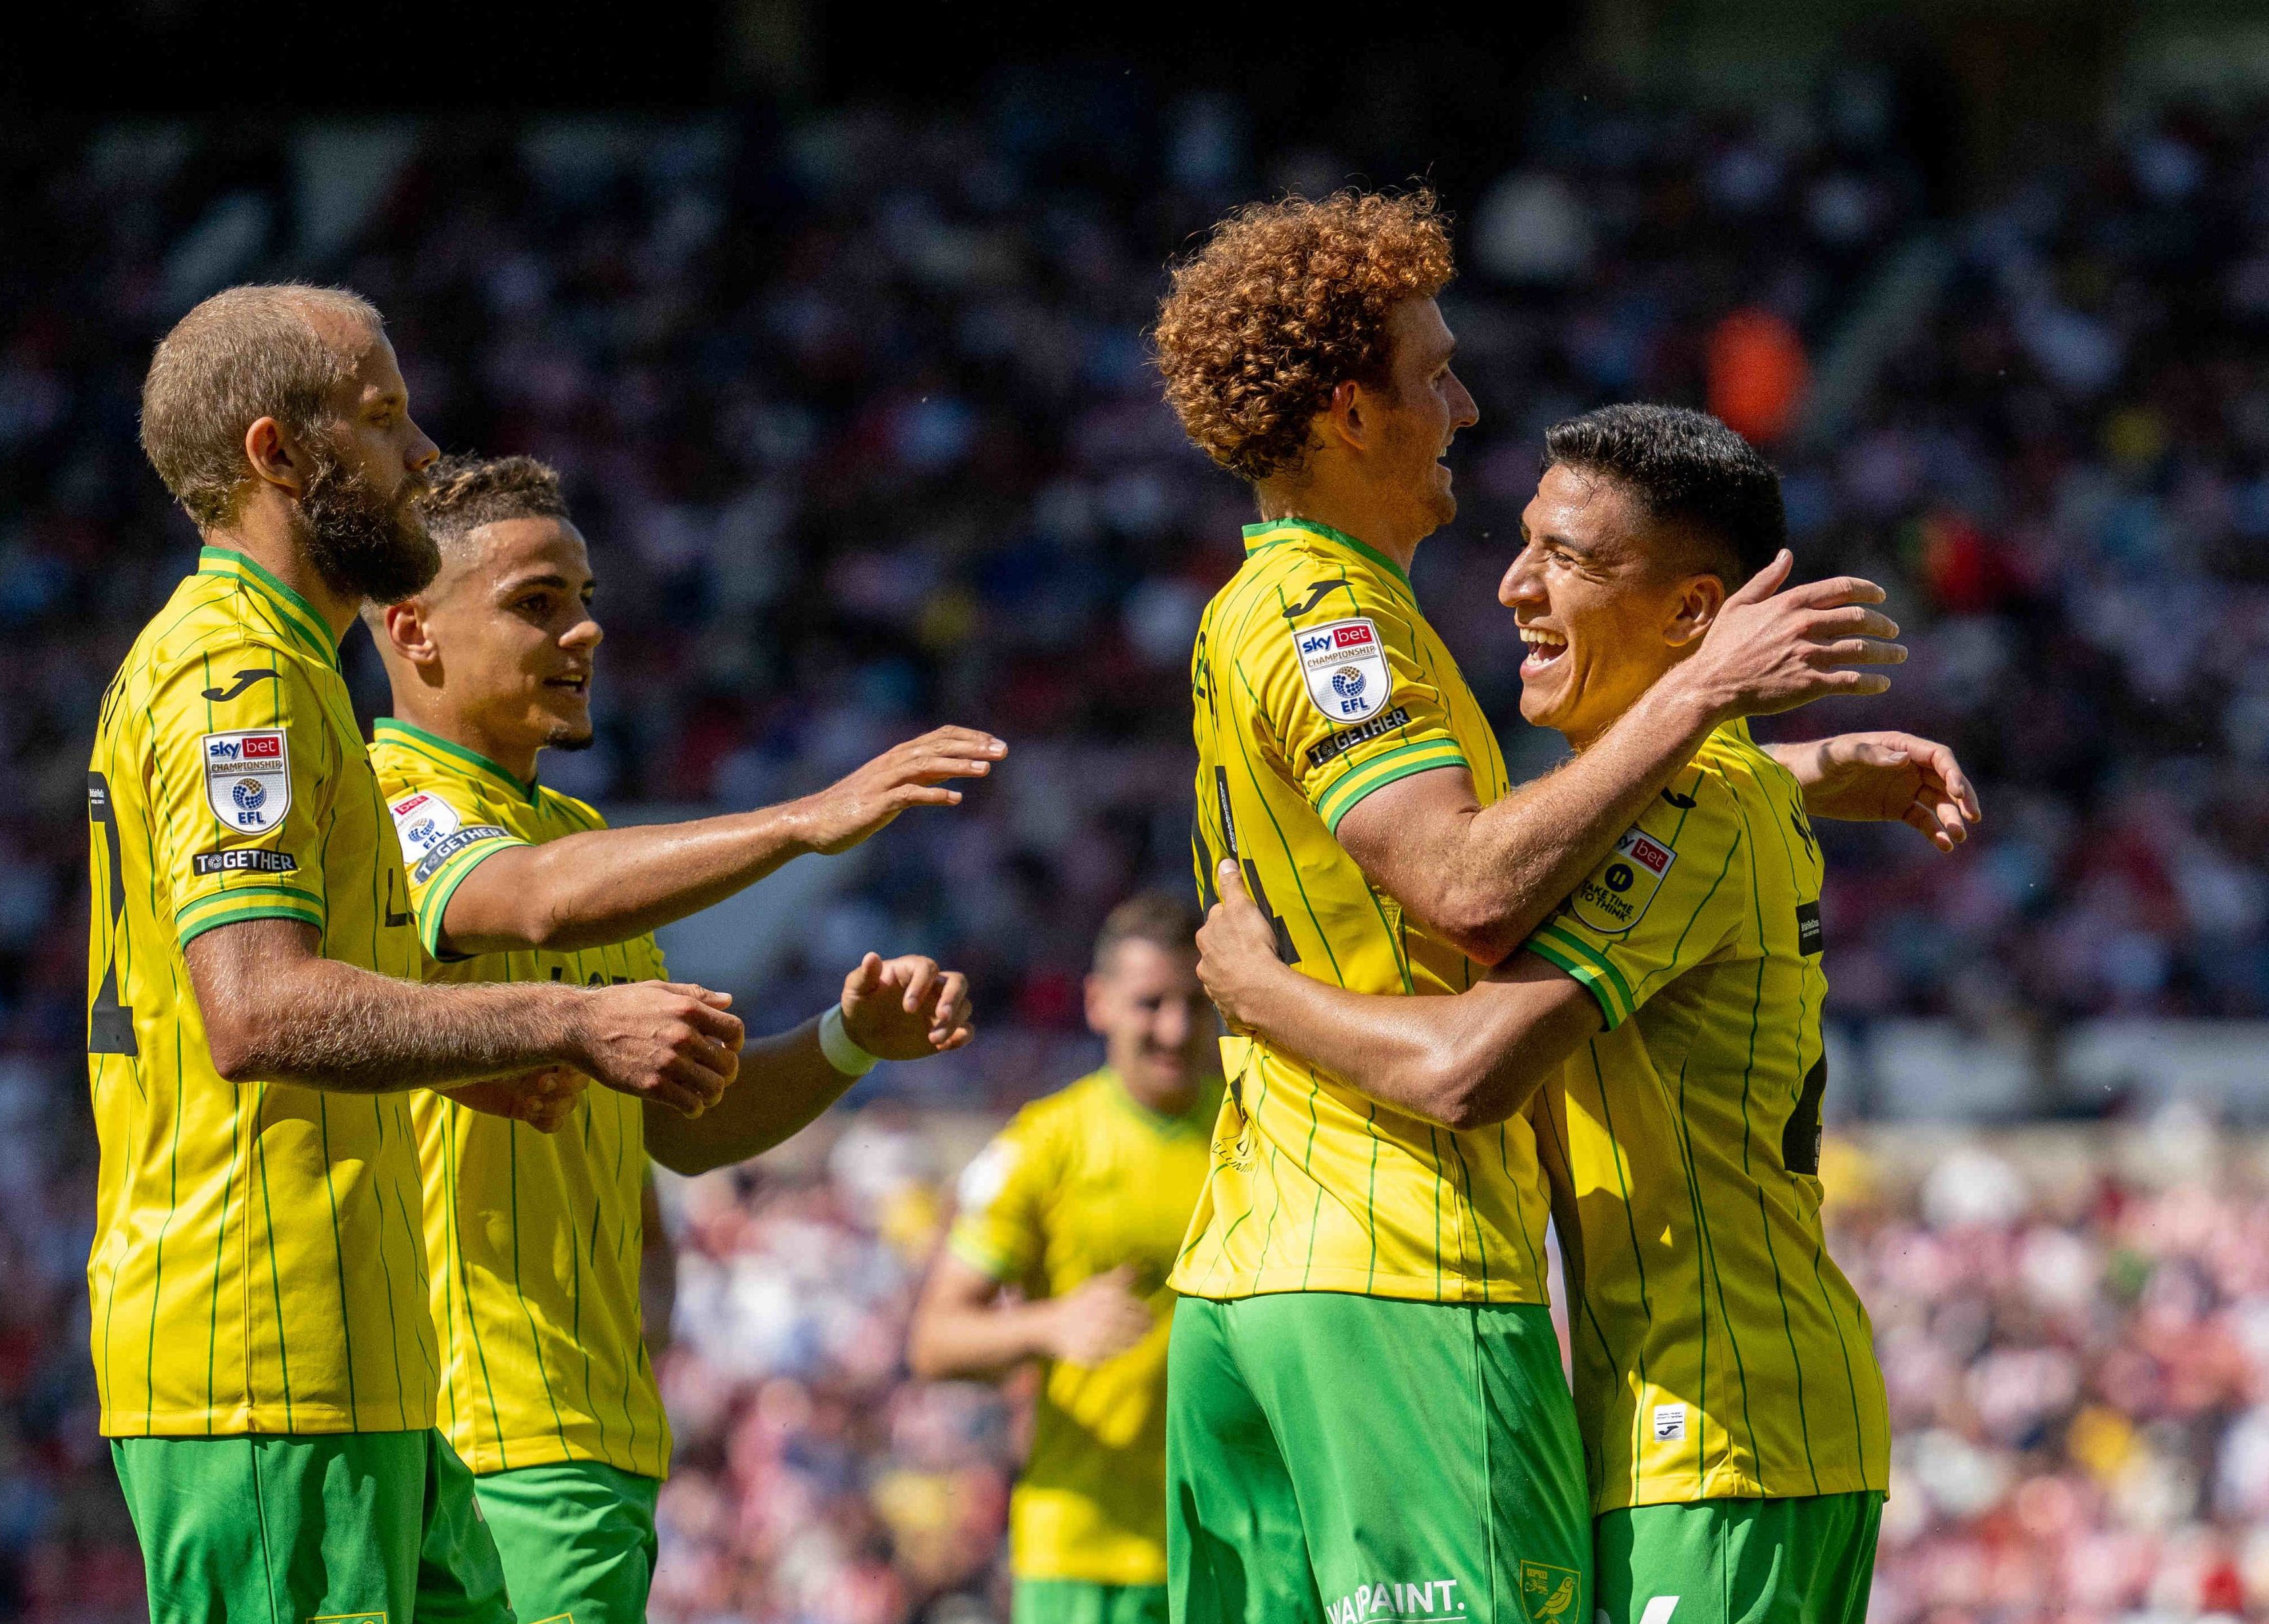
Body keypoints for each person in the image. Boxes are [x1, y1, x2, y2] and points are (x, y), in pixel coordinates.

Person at [1145, 194, 1972, 1624]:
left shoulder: (1290, 609)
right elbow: (1479, 882)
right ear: (1349, 413)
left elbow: (1498, 996)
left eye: (1567, 559)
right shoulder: (1331, 618)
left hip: (1678, 1410)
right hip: (1405, 1267)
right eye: (1434, 375)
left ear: (1690, 608)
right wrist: (1729, 721)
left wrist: (1255, 990)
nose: (1462, 407)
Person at [89, 283, 744, 1624]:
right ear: (277, 455)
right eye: (385, 418)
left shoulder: (281, 668)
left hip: (361, 1354)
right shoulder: (238, 677)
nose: (425, 454)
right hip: (266, 1351)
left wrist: (465, 1059)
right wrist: (557, 1025)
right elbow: (256, 1009)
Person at [362, 452, 991, 1624]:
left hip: (571, 1429)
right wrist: (803, 820)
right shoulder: (386, 806)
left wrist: (847, 1041)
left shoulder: (575, 834)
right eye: (536, 603)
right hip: (477, 1428)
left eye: (584, 598)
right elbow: (529, 895)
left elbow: (685, 1131)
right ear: (415, 632)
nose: (586, 631)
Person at [906, 894, 1224, 1624]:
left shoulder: (1256, 1133)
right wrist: (1046, 1326)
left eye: (1193, 1003)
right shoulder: (1042, 1145)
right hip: (1086, 1554)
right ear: (1097, 1003)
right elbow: (933, 1341)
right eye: (1150, 1004)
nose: (1174, 1030)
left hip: (1234, 1541)